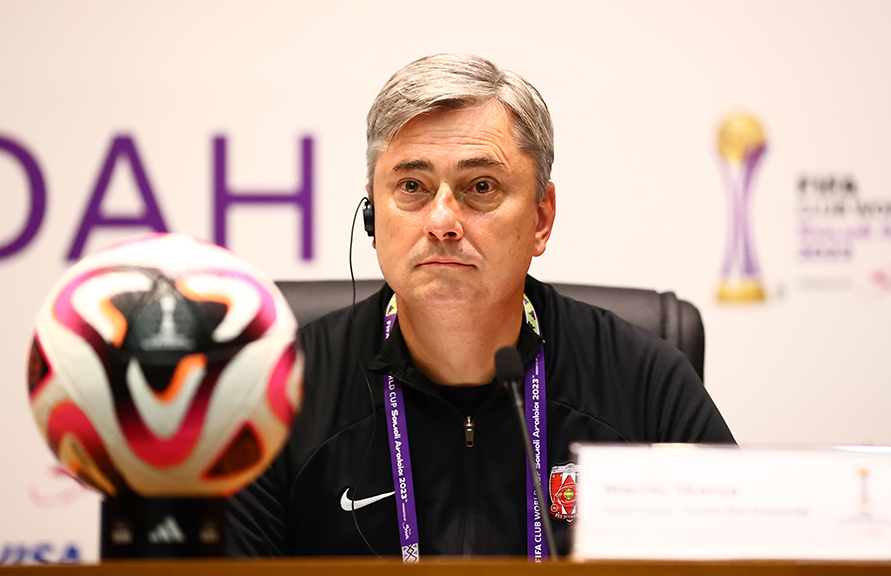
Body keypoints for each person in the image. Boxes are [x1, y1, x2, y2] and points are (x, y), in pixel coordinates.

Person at [226, 53, 734, 559]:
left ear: (540, 218)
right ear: (373, 216)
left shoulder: (643, 383)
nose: (442, 221)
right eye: (411, 187)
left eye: (481, 187)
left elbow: (744, 560)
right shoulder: (283, 395)